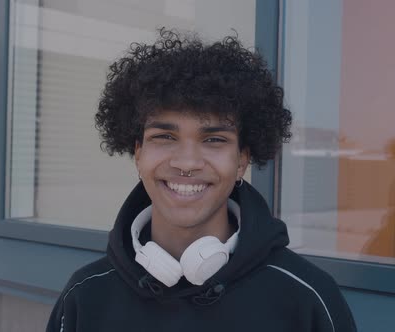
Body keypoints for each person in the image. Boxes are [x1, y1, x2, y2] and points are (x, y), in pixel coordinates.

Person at [46, 29, 356, 332]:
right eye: (165, 136)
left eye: (214, 140)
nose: (187, 163)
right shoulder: (85, 297)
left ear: (242, 160)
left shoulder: (306, 299)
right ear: (138, 153)